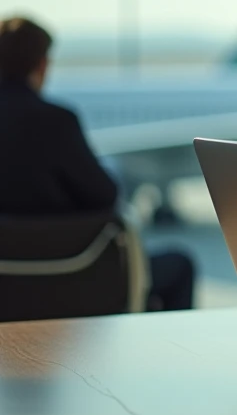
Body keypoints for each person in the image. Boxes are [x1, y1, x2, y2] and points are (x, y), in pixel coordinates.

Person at [0, 16, 195, 311]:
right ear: (41, 66)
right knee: (179, 265)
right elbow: (105, 195)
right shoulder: (57, 122)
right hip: (69, 276)